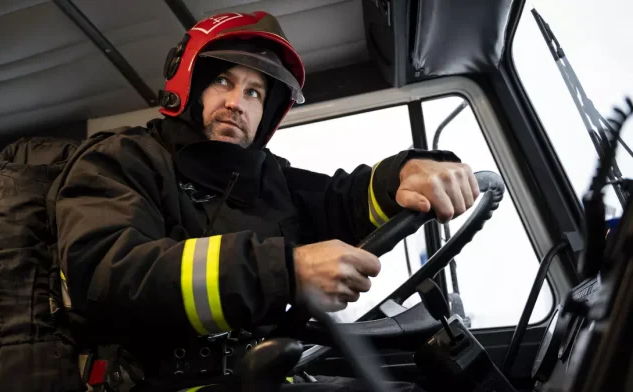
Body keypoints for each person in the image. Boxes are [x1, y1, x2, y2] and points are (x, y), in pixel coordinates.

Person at [52, 11, 479, 392]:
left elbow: (342, 201)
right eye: (224, 81)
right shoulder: (123, 158)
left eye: (255, 93)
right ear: (190, 83)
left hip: (268, 374)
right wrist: (286, 270)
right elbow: (107, 272)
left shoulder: (270, 179)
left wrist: (407, 172)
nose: (237, 103)